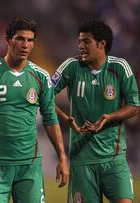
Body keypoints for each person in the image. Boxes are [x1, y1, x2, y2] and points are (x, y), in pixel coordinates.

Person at [0, 17, 69, 203]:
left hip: (29, 164)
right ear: (8, 40)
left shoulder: (41, 76)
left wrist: (62, 157)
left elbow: (50, 119)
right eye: (20, 39)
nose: (25, 44)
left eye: (30, 40)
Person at [52, 20, 139, 203]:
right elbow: (44, 97)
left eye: (86, 41)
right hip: (82, 159)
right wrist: (66, 118)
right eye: (79, 42)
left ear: (101, 44)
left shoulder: (119, 67)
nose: (80, 46)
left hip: (114, 158)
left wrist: (109, 117)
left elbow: (134, 105)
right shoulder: (71, 66)